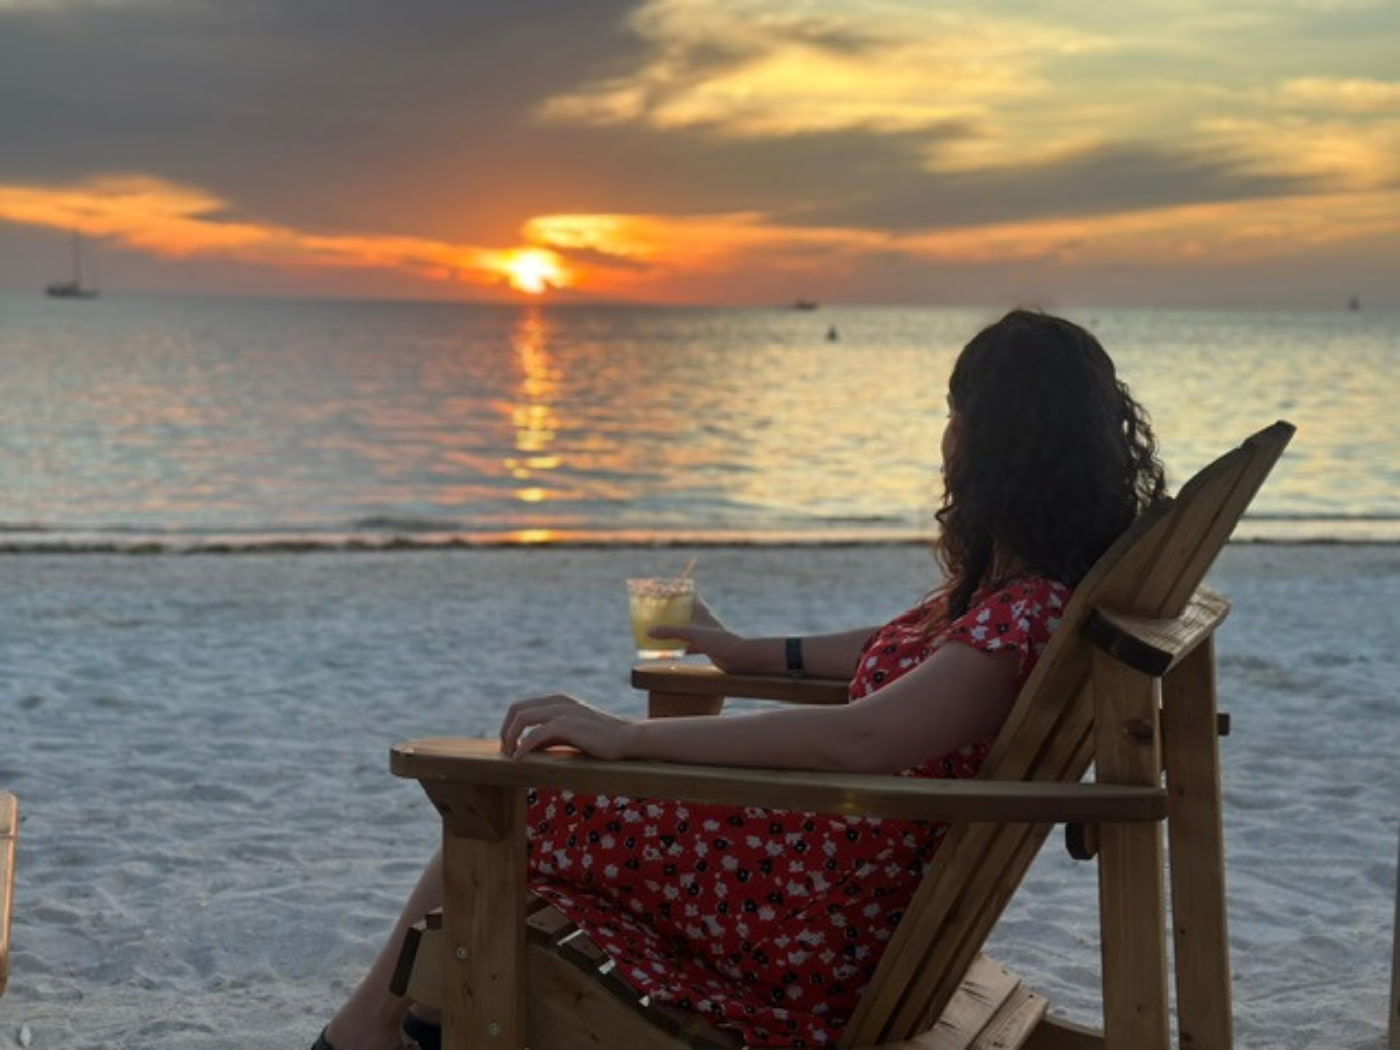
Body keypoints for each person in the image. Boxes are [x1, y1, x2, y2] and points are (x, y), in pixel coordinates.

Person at [311, 308, 1166, 1050]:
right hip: (825, 876)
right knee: (550, 794)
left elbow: (862, 737)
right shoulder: (1022, 601)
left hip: (812, 926)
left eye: (958, 414)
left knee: (520, 798)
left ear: (997, 442)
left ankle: (378, 1029)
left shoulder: (1023, 616)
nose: (947, 437)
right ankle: (407, 1021)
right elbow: (908, 647)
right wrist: (752, 654)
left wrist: (628, 736)